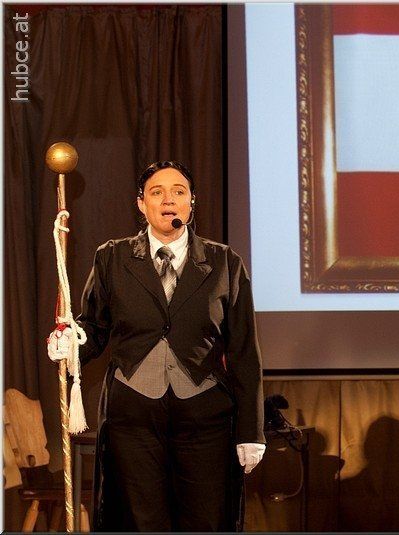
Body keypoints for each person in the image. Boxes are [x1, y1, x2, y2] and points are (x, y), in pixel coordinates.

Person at [47, 161, 266, 531]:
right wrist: (70, 341)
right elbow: (93, 328)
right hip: (133, 415)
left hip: (205, 416)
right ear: (141, 203)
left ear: (191, 203)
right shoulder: (112, 257)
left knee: (206, 518)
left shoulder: (224, 262)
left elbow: (244, 351)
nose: (168, 200)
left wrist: (251, 431)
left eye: (179, 192)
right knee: (139, 519)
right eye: (157, 192)